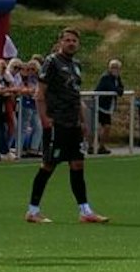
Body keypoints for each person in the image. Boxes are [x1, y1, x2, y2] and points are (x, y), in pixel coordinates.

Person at [26, 29, 110, 224]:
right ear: (60, 42)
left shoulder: (76, 65)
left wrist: (82, 121)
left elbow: (75, 95)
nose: (71, 43)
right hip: (57, 121)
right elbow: (40, 93)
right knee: (48, 165)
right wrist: (45, 119)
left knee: (78, 164)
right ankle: (32, 210)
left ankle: (85, 211)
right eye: (67, 40)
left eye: (74, 40)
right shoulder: (52, 62)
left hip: (72, 123)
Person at [90, 59, 124, 155]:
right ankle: (91, 146)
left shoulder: (117, 78)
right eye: (113, 68)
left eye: (117, 68)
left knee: (107, 127)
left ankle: (102, 146)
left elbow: (121, 89)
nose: (115, 70)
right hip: (99, 105)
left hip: (108, 107)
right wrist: (118, 90)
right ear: (109, 68)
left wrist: (119, 90)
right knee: (95, 127)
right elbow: (112, 88)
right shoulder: (106, 77)